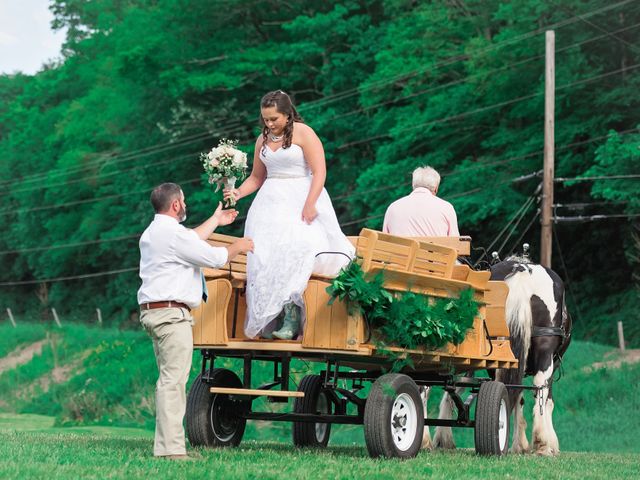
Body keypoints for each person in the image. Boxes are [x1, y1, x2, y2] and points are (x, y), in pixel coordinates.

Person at [224, 90, 354, 340]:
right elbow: (256, 178)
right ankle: (274, 315)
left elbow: (320, 171)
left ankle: (292, 314)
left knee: (298, 248)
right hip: (269, 204)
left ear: (287, 114)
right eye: (265, 119)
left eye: (274, 118)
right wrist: (237, 193)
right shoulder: (262, 139)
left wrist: (310, 202)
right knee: (267, 255)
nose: (269, 124)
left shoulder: (304, 133)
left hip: (299, 195)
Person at [138, 182, 254, 460]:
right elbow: (213, 258)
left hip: (154, 312)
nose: (186, 204)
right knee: (173, 383)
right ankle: (172, 451)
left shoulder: (154, 232)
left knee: (168, 381)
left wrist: (217, 218)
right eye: (184, 201)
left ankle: (166, 446)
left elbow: (192, 237)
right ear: (176, 204)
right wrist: (239, 246)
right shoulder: (174, 235)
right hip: (171, 315)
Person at [382, 166, 460, 237]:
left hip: (400, 252)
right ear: (436, 189)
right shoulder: (446, 207)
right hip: (434, 252)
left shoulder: (393, 207)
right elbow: (456, 244)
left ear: (413, 185)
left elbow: (384, 241)